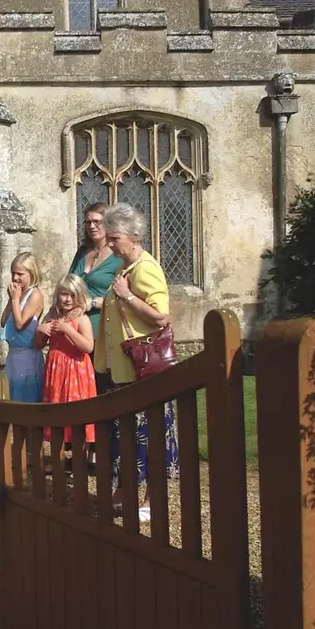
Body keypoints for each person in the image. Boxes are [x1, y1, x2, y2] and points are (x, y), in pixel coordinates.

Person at [97, 203, 180, 509]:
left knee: (148, 434)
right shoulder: (124, 269)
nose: (109, 242)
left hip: (144, 369)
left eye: (114, 237)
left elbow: (161, 317)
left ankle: (149, 499)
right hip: (124, 369)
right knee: (126, 435)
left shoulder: (146, 269)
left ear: (133, 236)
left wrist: (128, 296)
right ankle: (125, 492)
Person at [37, 274, 98, 450]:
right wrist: (40, 331)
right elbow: (39, 344)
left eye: (72, 295)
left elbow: (88, 346)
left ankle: (81, 456)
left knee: (78, 412)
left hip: (76, 369)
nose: (68, 299)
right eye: (64, 294)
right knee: (56, 411)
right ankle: (59, 457)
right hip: (56, 369)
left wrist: (67, 330)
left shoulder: (82, 318)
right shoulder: (51, 314)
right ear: (58, 295)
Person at [69, 202, 124, 394]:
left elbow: (120, 296)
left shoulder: (118, 256)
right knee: (78, 389)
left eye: (97, 221)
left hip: (101, 330)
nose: (92, 226)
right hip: (76, 330)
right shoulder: (82, 252)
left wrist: (90, 303)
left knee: (101, 387)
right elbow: (69, 284)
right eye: (88, 222)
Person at [0, 251, 45, 402]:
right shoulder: (18, 294)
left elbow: (20, 324)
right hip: (13, 355)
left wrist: (15, 300)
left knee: (25, 399)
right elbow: (3, 322)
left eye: (20, 274)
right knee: (11, 398)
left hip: (27, 356)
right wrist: (10, 300)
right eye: (13, 273)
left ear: (31, 273)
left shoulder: (35, 295)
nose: (15, 278)